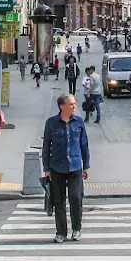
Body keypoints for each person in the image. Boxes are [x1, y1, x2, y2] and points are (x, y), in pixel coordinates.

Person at [42, 93, 90, 243]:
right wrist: (47, 167)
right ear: (62, 106)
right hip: (57, 167)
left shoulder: (79, 122)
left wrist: (86, 165)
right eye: (71, 104)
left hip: (75, 166)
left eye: (74, 104)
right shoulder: (51, 123)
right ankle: (61, 232)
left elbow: (84, 145)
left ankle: (77, 229)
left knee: (76, 198)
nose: (74, 106)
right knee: (59, 201)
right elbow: (46, 147)